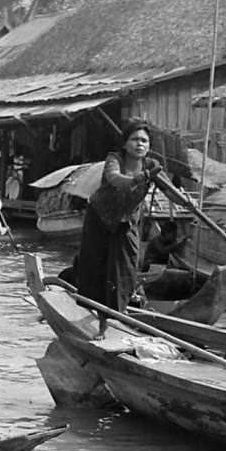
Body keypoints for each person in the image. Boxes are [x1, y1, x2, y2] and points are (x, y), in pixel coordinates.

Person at [74, 119, 163, 320]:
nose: (140, 144)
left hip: (127, 221)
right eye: (134, 140)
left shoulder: (151, 165)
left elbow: (166, 188)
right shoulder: (114, 159)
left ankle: (117, 313)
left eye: (144, 141)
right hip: (100, 217)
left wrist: (186, 203)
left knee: (126, 267)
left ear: (149, 146)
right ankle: (99, 317)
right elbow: (115, 179)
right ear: (125, 143)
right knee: (97, 266)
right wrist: (140, 178)